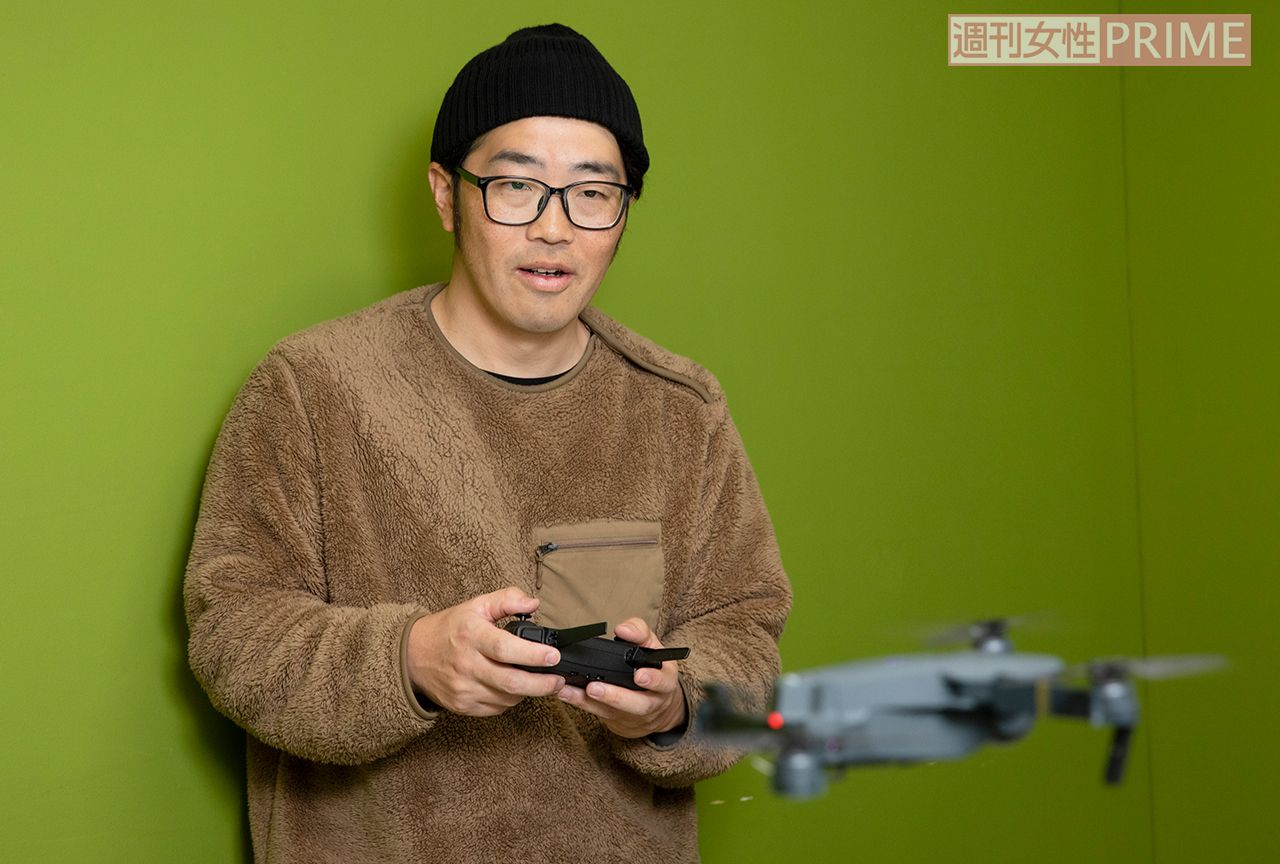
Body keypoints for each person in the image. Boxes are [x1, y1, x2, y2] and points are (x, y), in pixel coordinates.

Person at [184, 23, 790, 864]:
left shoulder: (679, 409)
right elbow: (234, 634)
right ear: (447, 194)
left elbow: (747, 642)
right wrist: (409, 660)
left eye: (593, 192)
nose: (554, 228)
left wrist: (673, 706)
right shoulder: (312, 387)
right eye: (516, 186)